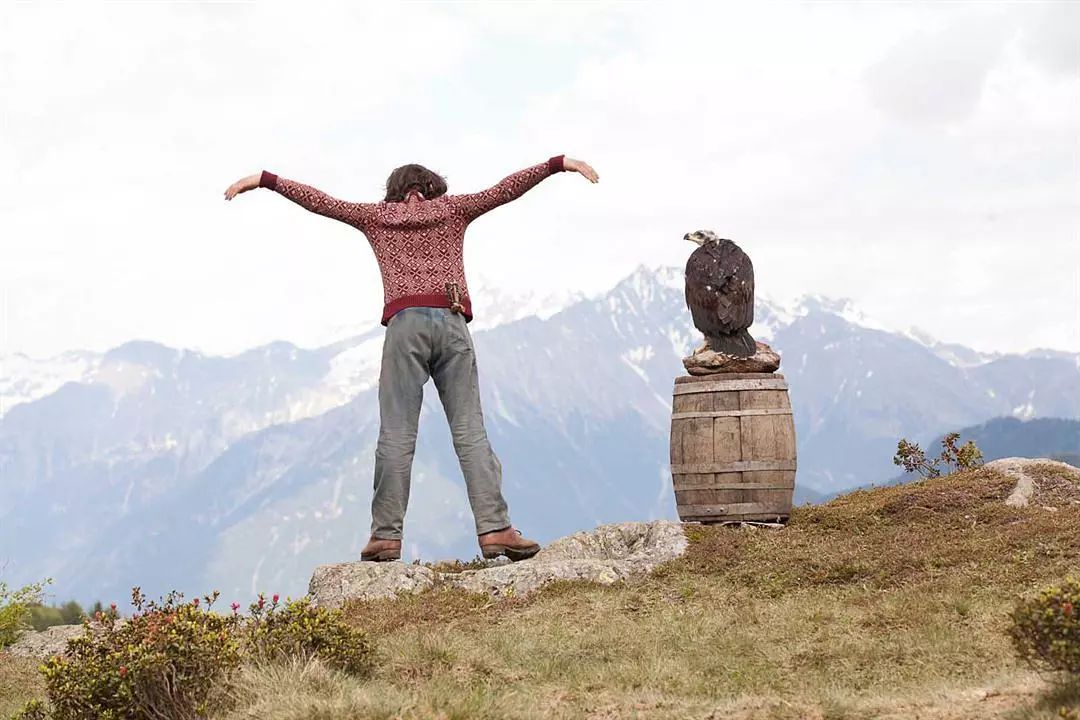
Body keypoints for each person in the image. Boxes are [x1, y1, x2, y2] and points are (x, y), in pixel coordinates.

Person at [225, 154, 599, 562]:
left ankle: (385, 536)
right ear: (437, 188)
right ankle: (495, 529)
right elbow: (505, 190)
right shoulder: (453, 210)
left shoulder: (376, 217)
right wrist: (558, 164)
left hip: (404, 328)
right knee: (470, 431)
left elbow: (321, 202)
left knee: (396, 435)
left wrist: (266, 179)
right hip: (453, 322)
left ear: (393, 193)